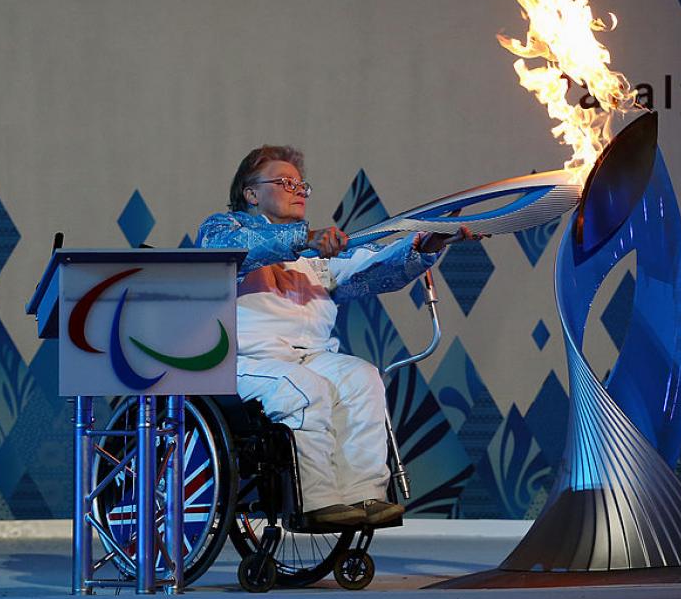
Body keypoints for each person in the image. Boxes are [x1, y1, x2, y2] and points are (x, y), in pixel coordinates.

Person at [197, 145, 476, 528]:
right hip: (245, 364)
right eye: (284, 182)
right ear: (251, 193)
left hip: (309, 357)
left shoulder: (318, 252)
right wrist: (303, 238)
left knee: (362, 378)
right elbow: (228, 251)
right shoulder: (223, 230)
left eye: (301, 185)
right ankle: (318, 503)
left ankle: (365, 497)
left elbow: (376, 268)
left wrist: (427, 244)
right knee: (305, 387)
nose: (298, 190)